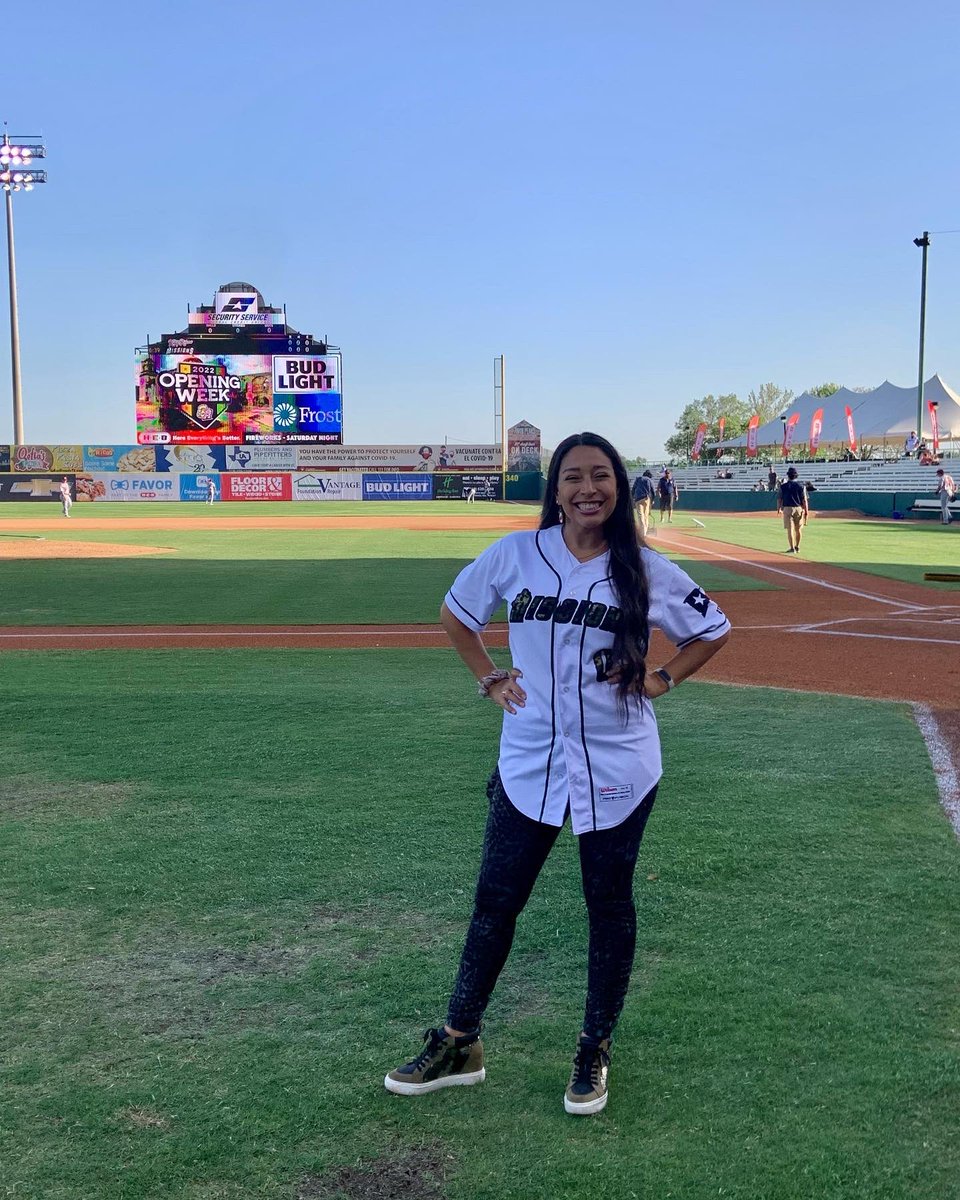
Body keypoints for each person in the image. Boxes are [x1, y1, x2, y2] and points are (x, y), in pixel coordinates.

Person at [384, 432, 730, 1116]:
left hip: (617, 756)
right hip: (529, 754)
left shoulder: (645, 568)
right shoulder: (518, 553)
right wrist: (489, 676)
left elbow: (712, 629)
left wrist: (661, 679)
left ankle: (594, 1048)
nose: (587, 489)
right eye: (573, 477)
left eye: (601, 475)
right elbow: (456, 614)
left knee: (608, 904)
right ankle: (459, 1042)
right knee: (496, 900)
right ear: (556, 489)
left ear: (619, 485)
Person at [777, 466, 809, 553]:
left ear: (788, 476)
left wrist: (778, 508)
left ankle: (792, 548)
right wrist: (806, 511)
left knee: (790, 529)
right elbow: (804, 500)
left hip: (787, 508)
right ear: (796, 476)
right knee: (798, 529)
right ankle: (797, 546)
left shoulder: (783, 486)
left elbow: (779, 499)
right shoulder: (801, 486)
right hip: (798, 508)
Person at [630, 469, 655, 536]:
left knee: (641, 515)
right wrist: (652, 500)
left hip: (638, 499)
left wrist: (632, 497)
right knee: (646, 515)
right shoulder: (649, 480)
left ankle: (643, 531)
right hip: (647, 499)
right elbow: (653, 491)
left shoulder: (638, 479)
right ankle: (645, 531)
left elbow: (633, 489)